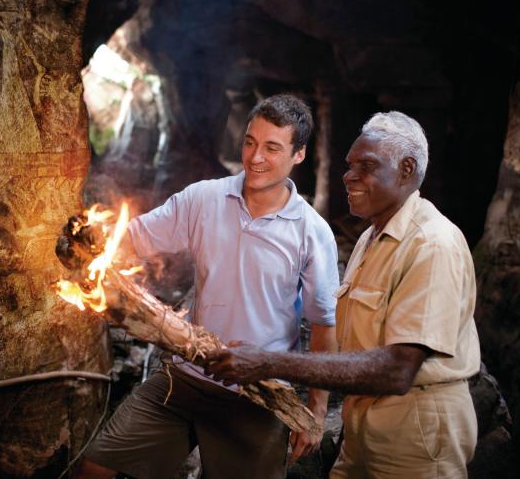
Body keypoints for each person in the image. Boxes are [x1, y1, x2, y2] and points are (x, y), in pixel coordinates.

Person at [75, 94, 339, 479]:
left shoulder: (312, 232)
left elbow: (323, 325)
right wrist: (85, 241)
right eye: (250, 141)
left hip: (255, 394)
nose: (255, 157)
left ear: (298, 155)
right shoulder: (204, 198)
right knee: (96, 466)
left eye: (271, 147)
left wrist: (314, 410)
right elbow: (133, 238)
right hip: (184, 377)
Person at [206, 111, 481, 478]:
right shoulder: (371, 238)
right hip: (363, 426)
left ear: (406, 170)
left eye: (366, 166)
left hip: (416, 429)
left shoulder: (432, 244)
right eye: (350, 165)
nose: (349, 176)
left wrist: (268, 362)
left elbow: (398, 370)